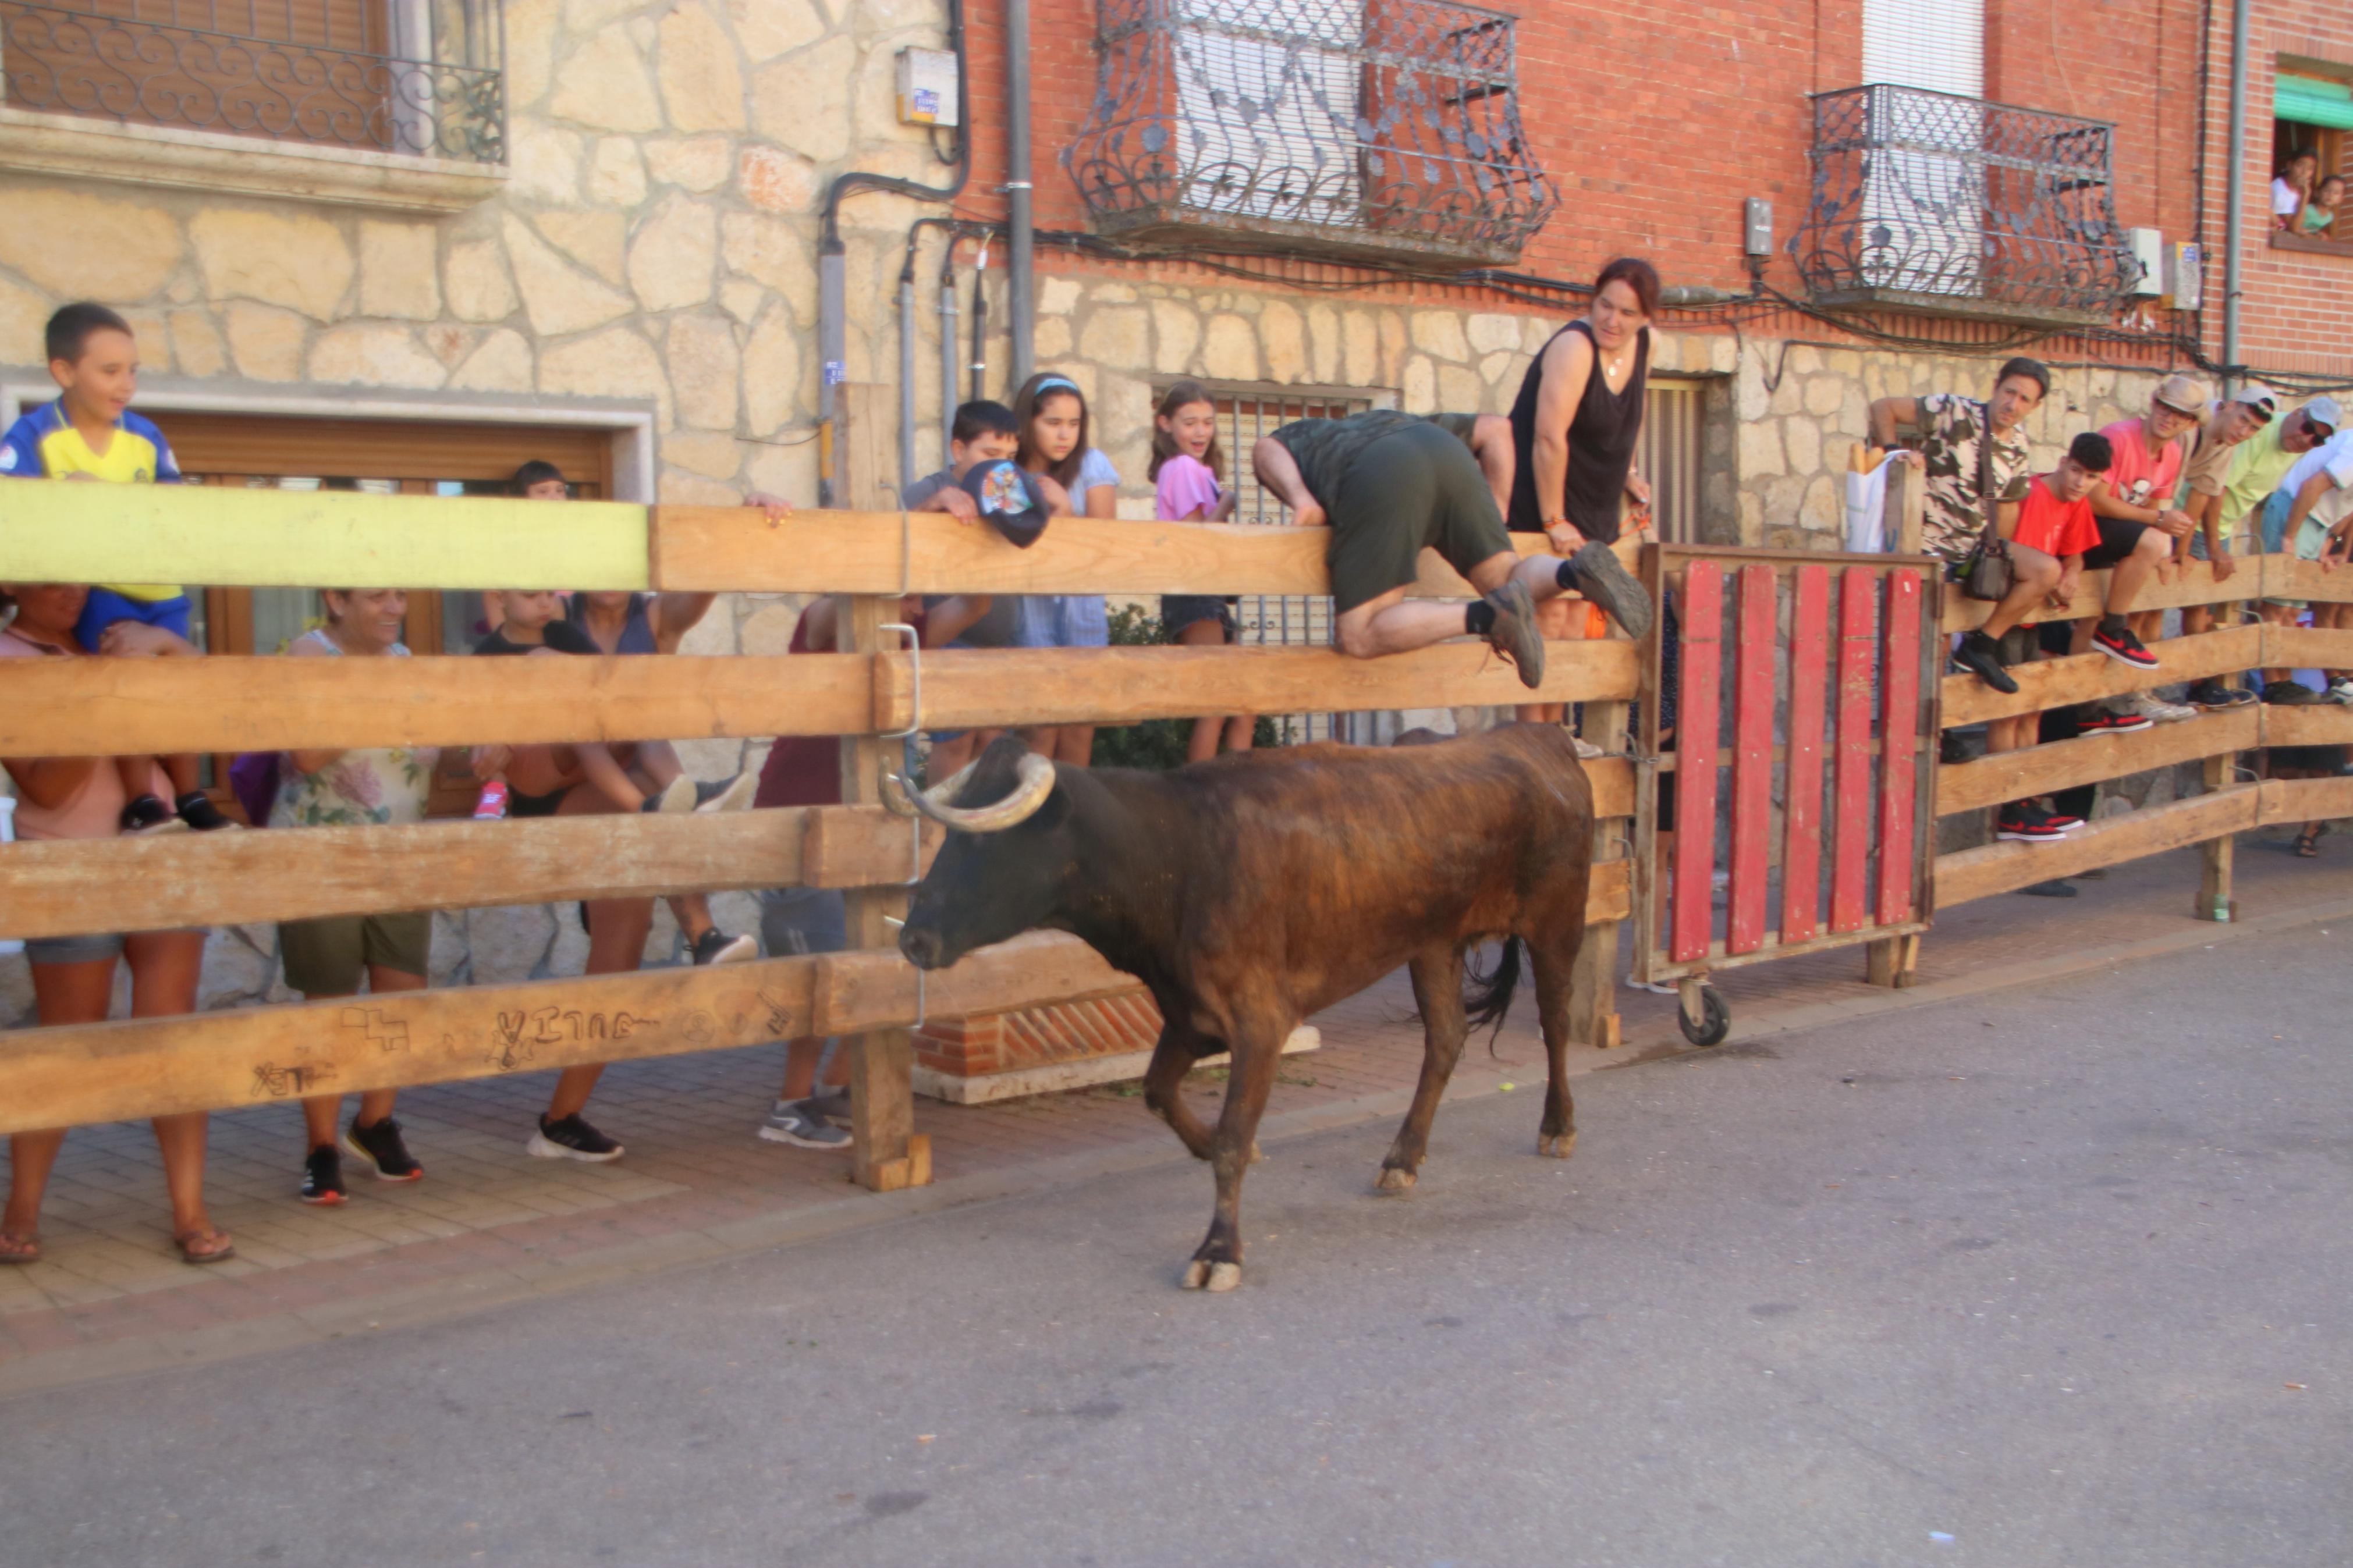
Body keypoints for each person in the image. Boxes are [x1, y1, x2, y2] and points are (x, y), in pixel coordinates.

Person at [0, 582, 233, 1265]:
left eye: (81, 573)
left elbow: (209, 699)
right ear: (12, 580)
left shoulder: (127, 631)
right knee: (67, 1043)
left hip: (162, 852)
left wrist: (160, 645)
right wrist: (106, 693)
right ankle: (21, 1207)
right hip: (70, 861)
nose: (70, 588)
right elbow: (43, 787)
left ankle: (191, 1210)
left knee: (173, 1039)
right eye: (52, 574)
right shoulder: (7, 654)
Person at [0, 303, 233, 835]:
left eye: (133, 370)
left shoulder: (145, 434)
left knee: (171, 687)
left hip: (160, 587)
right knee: (124, 677)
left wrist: (107, 498)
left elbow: (177, 508)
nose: (125, 383)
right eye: (110, 371)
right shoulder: (34, 435)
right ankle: (143, 801)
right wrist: (62, 495)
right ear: (63, 372)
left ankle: (191, 794)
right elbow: (11, 508)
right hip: (102, 585)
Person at [1249, 407, 1651, 688]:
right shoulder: (1400, 417)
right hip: (1445, 451)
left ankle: (1485, 616)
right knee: (1504, 575)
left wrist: (1302, 500)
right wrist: (1495, 513)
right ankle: (1573, 571)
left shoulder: (1307, 435)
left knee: (1359, 633)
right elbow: (1497, 430)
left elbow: (1264, 449)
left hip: (1378, 470)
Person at [271, 589, 438, 1204]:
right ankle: (320, 1147)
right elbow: (307, 752)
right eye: (377, 595)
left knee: (403, 997)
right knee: (330, 1005)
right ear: (335, 600)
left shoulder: (407, 659)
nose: (396, 604)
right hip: (321, 857)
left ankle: (374, 1122)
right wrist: (372, 695)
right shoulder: (307, 657)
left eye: (401, 591)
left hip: (400, 856)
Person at [1506, 259, 1659, 711]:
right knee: (1549, 620)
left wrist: (1628, 471)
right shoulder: (1573, 347)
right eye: (1605, 305)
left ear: (1645, 319)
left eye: (1627, 313)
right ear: (1592, 301)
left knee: (1578, 624)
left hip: (1594, 496)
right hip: (1541, 492)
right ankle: (1531, 742)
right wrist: (1554, 518)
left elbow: (1634, 412)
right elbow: (1548, 438)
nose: (1612, 321)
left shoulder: (1643, 344)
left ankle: (1555, 737)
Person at [906, 401, 1070, 780]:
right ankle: (941, 832)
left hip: (1001, 638)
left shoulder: (1008, 492)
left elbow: (1040, 547)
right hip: (949, 638)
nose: (1003, 467)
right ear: (958, 449)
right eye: (990, 454)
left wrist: (1060, 510)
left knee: (996, 742)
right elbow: (892, 539)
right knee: (955, 740)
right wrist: (934, 505)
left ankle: (985, 833)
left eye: (1011, 457)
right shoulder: (930, 489)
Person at [1869, 356, 2049, 692]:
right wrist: (1895, 454)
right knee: (1918, 648)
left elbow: (2009, 506)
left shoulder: (2019, 444)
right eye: (2010, 392)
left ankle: (1982, 646)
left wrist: (1996, 559)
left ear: (2036, 406)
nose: (2013, 404)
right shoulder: (1954, 410)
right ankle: (1914, 728)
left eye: (2025, 399)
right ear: (1996, 387)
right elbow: (1883, 408)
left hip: (1971, 552)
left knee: (2045, 571)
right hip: (1922, 547)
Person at [1972, 435, 2115, 841]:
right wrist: (2053, 570)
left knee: (2031, 709)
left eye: (2090, 477)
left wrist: (2070, 571)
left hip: (2035, 619)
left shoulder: (2076, 504)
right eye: (2075, 471)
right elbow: (2001, 548)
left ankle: (2027, 799)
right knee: (2007, 710)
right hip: (2006, 614)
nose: (2078, 482)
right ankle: (2008, 806)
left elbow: (2075, 552)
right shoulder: (2029, 492)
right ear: (2061, 461)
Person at [2072, 376, 2204, 724]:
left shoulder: (2173, 453)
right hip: (2085, 526)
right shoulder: (2119, 436)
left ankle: (2088, 710)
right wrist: (2158, 525)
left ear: (2190, 423)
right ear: (2153, 403)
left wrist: (2162, 547)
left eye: (2180, 415)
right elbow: (2097, 500)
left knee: (2090, 616)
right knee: (2155, 541)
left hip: (2115, 535)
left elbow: (2162, 503)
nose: (2169, 418)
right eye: (2165, 407)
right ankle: (2115, 627)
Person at [1009, 372, 1119, 767]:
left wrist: (1068, 512)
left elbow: (1104, 542)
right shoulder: (1010, 472)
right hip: (1031, 607)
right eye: (1052, 423)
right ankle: (1033, 823)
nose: (1064, 435)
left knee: (1078, 727)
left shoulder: (1092, 464)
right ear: (1028, 422)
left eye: (1074, 424)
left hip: (1082, 608)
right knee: (1038, 728)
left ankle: (1074, 823)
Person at [1151, 380, 1251, 763]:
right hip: (1192, 589)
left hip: (1204, 590)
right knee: (1218, 700)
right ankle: (1204, 793)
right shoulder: (1182, 467)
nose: (1200, 432)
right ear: (1165, 424)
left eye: (1207, 422)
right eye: (1189, 422)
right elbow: (1197, 536)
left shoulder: (1195, 469)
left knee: (1243, 699)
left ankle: (1235, 785)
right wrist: (1226, 502)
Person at [2174, 383, 2277, 706]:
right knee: (2150, 605)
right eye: (2243, 420)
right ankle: (2139, 691)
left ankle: (2199, 684)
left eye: (2253, 429)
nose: (2244, 431)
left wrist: (2203, 548)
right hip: (2160, 511)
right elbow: (2197, 492)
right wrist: (2184, 549)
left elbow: (2207, 491)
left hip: (2180, 520)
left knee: (2198, 600)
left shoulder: (2226, 443)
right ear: (2229, 406)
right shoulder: (2193, 425)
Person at [2256, 425, 2353, 702]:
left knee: (2292, 608)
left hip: (2317, 521)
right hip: (2297, 511)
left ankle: (2283, 682)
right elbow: (2311, 486)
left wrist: (2335, 542)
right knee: (2278, 602)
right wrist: (2290, 535)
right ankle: (2272, 683)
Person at [2274, 150, 2319, 230]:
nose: (2304, 172)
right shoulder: (2279, 190)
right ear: (2290, 165)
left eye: (2310, 169)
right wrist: (2306, 194)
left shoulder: (2299, 189)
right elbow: (2294, 228)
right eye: (2300, 166)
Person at [2298, 173, 2345, 238]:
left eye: (2336, 193)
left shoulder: (2330, 217)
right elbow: (2296, 227)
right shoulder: (2307, 210)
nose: (2331, 195)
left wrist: (2319, 234)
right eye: (2327, 191)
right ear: (2317, 192)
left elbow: (2314, 230)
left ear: (2340, 199)